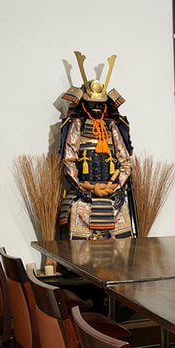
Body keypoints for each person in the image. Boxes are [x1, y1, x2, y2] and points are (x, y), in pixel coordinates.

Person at [58, 52, 135, 240]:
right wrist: (81, 188)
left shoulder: (112, 127)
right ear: (85, 103)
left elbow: (125, 161)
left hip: (111, 191)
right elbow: (69, 159)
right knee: (78, 219)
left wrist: (118, 188)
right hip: (84, 192)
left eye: (100, 104)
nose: (96, 107)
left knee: (123, 236)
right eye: (92, 103)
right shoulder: (78, 125)